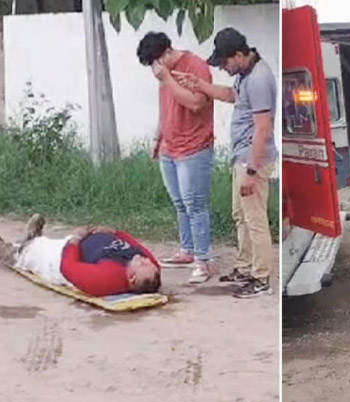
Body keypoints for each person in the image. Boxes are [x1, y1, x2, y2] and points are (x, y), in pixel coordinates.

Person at [175, 28, 277, 298]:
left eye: (225, 62)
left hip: (252, 161)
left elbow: (263, 128)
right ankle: (245, 268)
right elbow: (233, 96)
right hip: (242, 159)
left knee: (255, 221)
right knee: (240, 216)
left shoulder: (258, 78)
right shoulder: (246, 75)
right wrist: (200, 86)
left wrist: (252, 172)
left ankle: (262, 278)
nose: (223, 67)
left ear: (240, 55)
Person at [137, 32, 215, 284]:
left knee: (195, 204)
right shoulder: (163, 75)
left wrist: (168, 78)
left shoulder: (195, 67)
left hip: (194, 148)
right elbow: (165, 108)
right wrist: (157, 138)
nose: (154, 69)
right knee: (180, 203)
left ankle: (203, 260)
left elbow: (195, 104)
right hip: (169, 147)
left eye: (155, 62)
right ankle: (187, 250)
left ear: (166, 53)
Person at [1, 214, 161, 296]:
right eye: (148, 262)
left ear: (131, 278)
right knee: (40, 244)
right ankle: (32, 239)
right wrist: (114, 232)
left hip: (58, 260)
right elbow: (136, 244)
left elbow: (68, 267)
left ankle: (10, 251)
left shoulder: (107, 279)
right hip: (79, 243)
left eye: (143, 264)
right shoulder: (151, 269)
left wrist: (76, 240)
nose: (145, 259)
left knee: (29, 254)